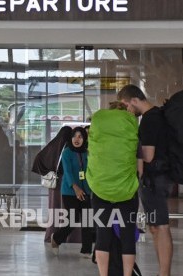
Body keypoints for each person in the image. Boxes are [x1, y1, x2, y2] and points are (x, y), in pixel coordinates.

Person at [118, 85, 173, 276]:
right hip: (157, 178)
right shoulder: (156, 115)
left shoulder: (149, 120)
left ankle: (164, 273)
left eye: (126, 105)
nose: (127, 110)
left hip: (154, 180)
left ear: (134, 100)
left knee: (161, 226)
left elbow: (148, 156)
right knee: (156, 227)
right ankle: (162, 272)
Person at [87, 102, 140, 276]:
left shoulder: (98, 125)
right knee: (127, 236)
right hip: (126, 190)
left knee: (103, 235)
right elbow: (140, 168)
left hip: (100, 189)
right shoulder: (131, 128)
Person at [50, 127, 93, 257]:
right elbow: (67, 172)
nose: (77, 139)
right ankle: (56, 238)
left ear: (84, 139)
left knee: (87, 221)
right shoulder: (67, 152)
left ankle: (86, 250)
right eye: (75, 136)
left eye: (80, 136)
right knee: (73, 220)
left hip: (86, 190)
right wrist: (75, 187)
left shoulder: (88, 153)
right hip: (69, 192)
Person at [32, 126, 72, 242]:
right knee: (68, 210)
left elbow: (39, 158)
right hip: (67, 183)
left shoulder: (53, 145)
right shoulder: (69, 146)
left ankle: (52, 233)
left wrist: (47, 172)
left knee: (54, 208)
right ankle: (67, 236)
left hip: (54, 184)